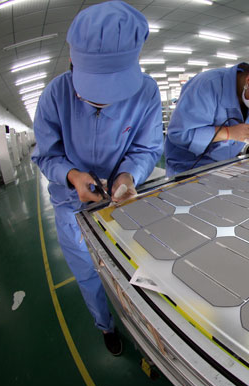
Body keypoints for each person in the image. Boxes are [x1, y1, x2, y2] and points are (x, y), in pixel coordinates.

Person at [31, 1, 163, 355]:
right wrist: (70, 175)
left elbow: (148, 149)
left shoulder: (147, 93)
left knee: (135, 273)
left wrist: (128, 175)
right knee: (89, 276)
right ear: (71, 62)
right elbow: (45, 154)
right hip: (71, 207)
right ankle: (105, 325)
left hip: (121, 203)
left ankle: (145, 328)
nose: (103, 104)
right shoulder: (54, 97)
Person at [165, 43, 249, 176]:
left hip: (225, 166)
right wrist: (228, 133)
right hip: (188, 171)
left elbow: (241, 123)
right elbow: (179, 134)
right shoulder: (206, 86)